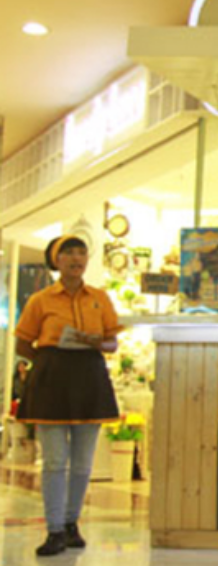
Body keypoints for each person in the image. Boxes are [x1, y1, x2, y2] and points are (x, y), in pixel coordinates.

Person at [14, 236, 121, 556]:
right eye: (69, 253)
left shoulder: (100, 298)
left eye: (81, 253)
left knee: (83, 462)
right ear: (56, 260)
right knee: (54, 460)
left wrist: (97, 343)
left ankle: (72, 522)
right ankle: (54, 529)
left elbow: (113, 342)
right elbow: (23, 342)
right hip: (51, 381)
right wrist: (48, 361)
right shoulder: (40, 300)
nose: (76, 259)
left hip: (90, 378)